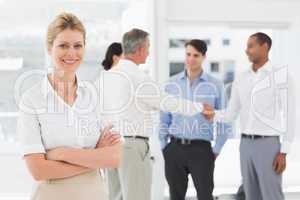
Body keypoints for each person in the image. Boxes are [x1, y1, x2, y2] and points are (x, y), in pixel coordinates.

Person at [95, 28, 212, 200]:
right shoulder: (138, 77)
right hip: (132, 147)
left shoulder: (104, 78)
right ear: (141, 48)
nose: (149, 52)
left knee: (115, 197)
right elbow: (167, 103)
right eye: (148, 47)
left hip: (109, 144)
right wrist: (200, 107)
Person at [17, 12, 122, 200]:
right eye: (63, 46)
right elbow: (38, 170)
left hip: (94, 194)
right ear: (49, 48)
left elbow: (114, 157)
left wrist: (62, 153)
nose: (71, 53)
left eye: (77, 46)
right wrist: (94, 157)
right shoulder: (32, 100)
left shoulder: (94, 96)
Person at [208, 32, 295, 200]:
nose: (246, 50)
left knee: (272, 195)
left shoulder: (281, 77)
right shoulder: (241, 78)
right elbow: (231, 113)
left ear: (265, 47)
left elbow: (290, 115)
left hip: (269, 145)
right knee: (250, 195)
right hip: (245, 145)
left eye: (250, 46)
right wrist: (212, 114)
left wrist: (284, 152)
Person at [159, 39, 231, 200]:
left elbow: (225, 120)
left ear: (204, 57)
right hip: (174, 148)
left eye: (196, 55)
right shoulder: (171, 84)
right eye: (188, 54)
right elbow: (164, 118)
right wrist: (164, 146)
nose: (191, 59)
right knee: (175, 196)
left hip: (202, 150)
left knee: (205, 196)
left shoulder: (216, 85)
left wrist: (216, 149)